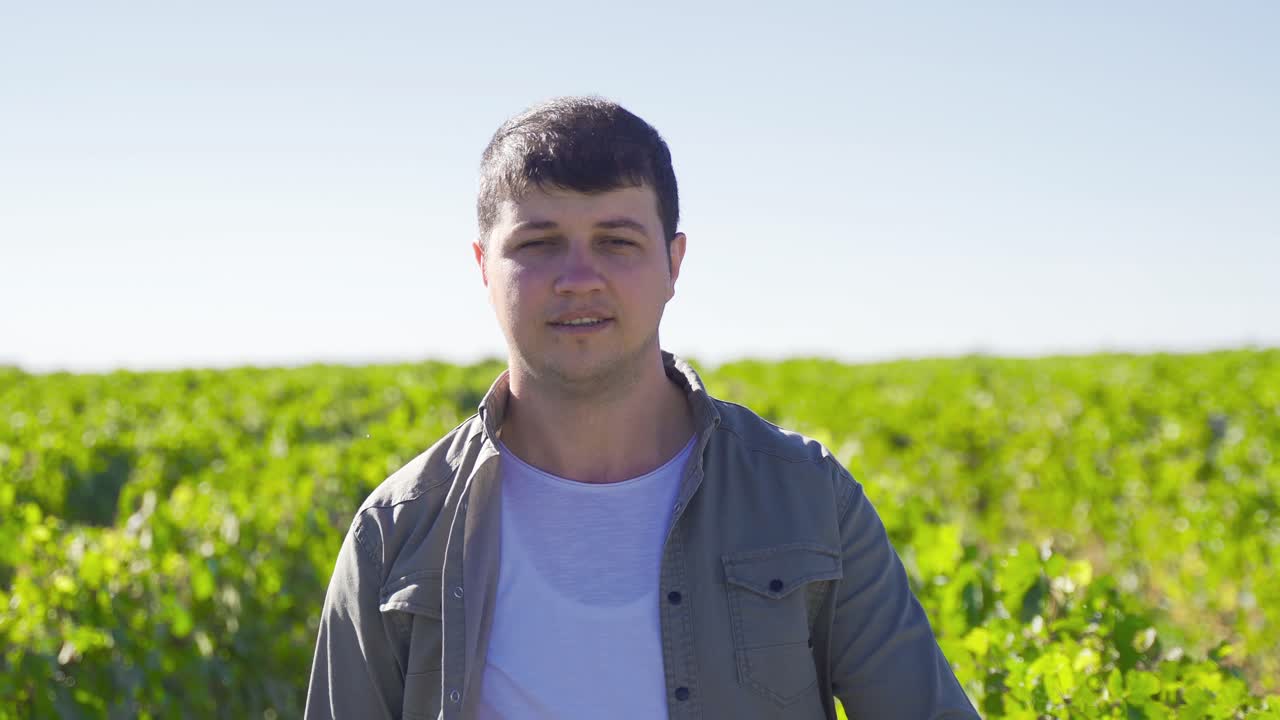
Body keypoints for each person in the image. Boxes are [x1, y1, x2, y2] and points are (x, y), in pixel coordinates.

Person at [305, 96, 979, 720]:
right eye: (538, 244)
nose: (578, 278)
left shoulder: (808, 497)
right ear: (484, 266)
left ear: (673, 263)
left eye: (616, 241)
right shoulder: (395, 534)